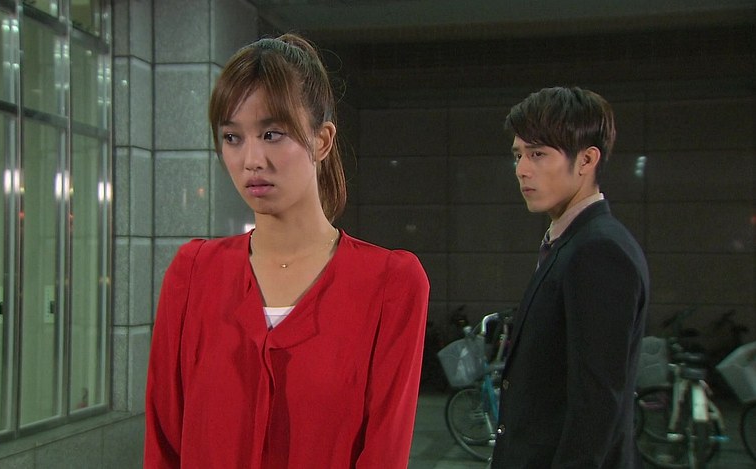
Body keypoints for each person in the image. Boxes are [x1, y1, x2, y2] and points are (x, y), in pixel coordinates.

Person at [144, 33, 429, 469]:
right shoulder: (194, 273)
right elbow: (163, 442)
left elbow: (384, 453)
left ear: (322, 140)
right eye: (232, 137)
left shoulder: (390, 283)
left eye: (272, 134)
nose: (251, 160)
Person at [491, 87, 650, 468]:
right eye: (518, 155)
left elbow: (596, 407)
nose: (522, 169)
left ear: (587, 160)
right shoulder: (572, 242)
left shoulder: (599, 251)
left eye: (538, 154)